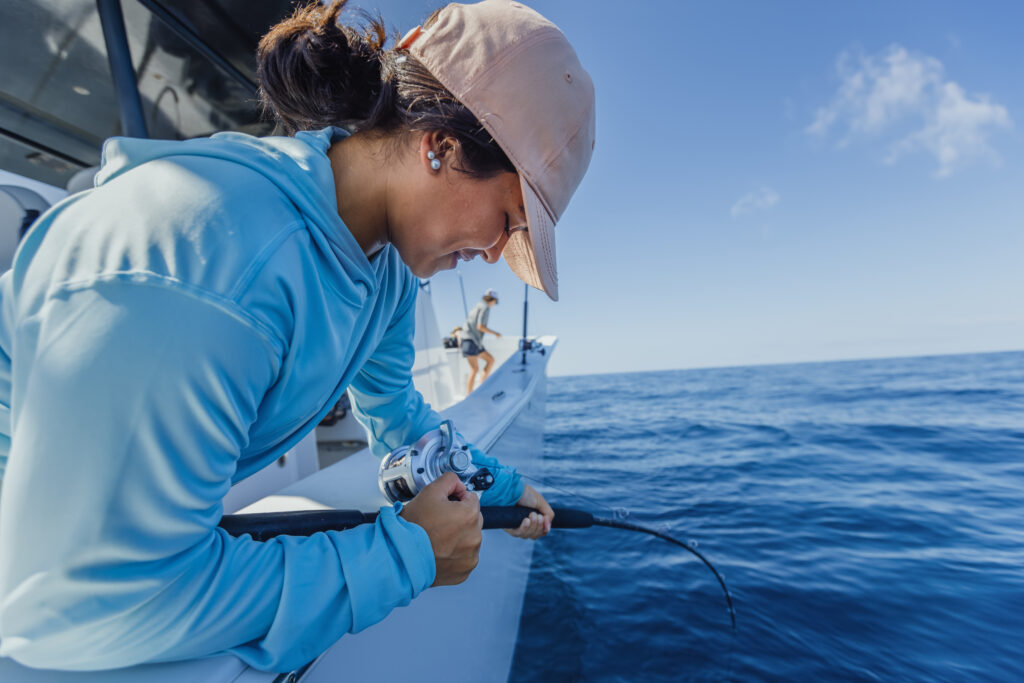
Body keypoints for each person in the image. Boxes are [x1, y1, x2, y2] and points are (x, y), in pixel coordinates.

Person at [0, 0, 594, 672]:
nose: (494, 254)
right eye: (509, 220)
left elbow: (398, 417)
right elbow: (85, 606)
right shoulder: (212, 264)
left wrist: (506, 489)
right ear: (442, 146)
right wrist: (406, 556)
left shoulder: (385, 275)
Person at [462, 289, 501, 393]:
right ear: (493, 300)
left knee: (489, 360)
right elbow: (480, 327)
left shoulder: (478, 306)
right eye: (495, 302)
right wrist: (495, 333)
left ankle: (480, 389)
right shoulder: (485, 308)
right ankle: (470, 395)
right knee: (475, 368)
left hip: (470, 341)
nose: (495, 304)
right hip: (471, 341)